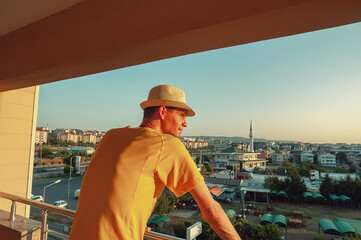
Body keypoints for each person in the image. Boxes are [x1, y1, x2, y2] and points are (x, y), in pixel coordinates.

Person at [69, 85, 241, 240]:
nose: (185, 123)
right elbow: (211, 209)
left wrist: (132, 221)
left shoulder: (111, 136)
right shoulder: (167, 144)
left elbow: (110, 190)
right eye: (182, 115)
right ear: (163, 111)